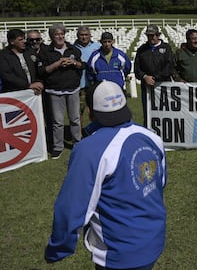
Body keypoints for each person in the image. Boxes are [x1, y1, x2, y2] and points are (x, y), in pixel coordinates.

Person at [45, 80, 167, 270]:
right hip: (153, 239)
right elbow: (159, 184)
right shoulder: (151, 137)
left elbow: (71, 208)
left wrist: (58, 248)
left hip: (118, 252)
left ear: (91, 113)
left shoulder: (89, 149)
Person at [38, 23, 84, 159]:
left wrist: (73, 63)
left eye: (62, 34)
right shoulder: (46, 52)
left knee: (75, 119)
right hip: (55, 91)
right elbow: (42, 71)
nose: (60, 36)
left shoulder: (73, 49)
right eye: (56, 34)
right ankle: (58, 147)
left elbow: (82, 65)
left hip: (72, 89)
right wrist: (57, 64)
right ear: (52, 36)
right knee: (57, 121)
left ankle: (77, 143)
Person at [134, 24, 173, 126]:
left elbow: (169, 67)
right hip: (147, 87)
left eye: (153, 35)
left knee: (165, 112)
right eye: (149, 35)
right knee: (148, 113)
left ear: (158, 35)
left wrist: (155, 78)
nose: (151, 37)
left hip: (163, 86)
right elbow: (137, 69)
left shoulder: (166, 48)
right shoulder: (142, 50)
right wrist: (144, 77)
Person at [0, 29, 43, 94]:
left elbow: (38, 68)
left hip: (33, 91)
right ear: (12, 42)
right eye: (20, 40)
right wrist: (27, 85)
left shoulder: (29, 52)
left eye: (24, 39)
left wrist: (39, 82)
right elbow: (7, 76)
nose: (24, 41)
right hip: (16, 93)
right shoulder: (3, 56)